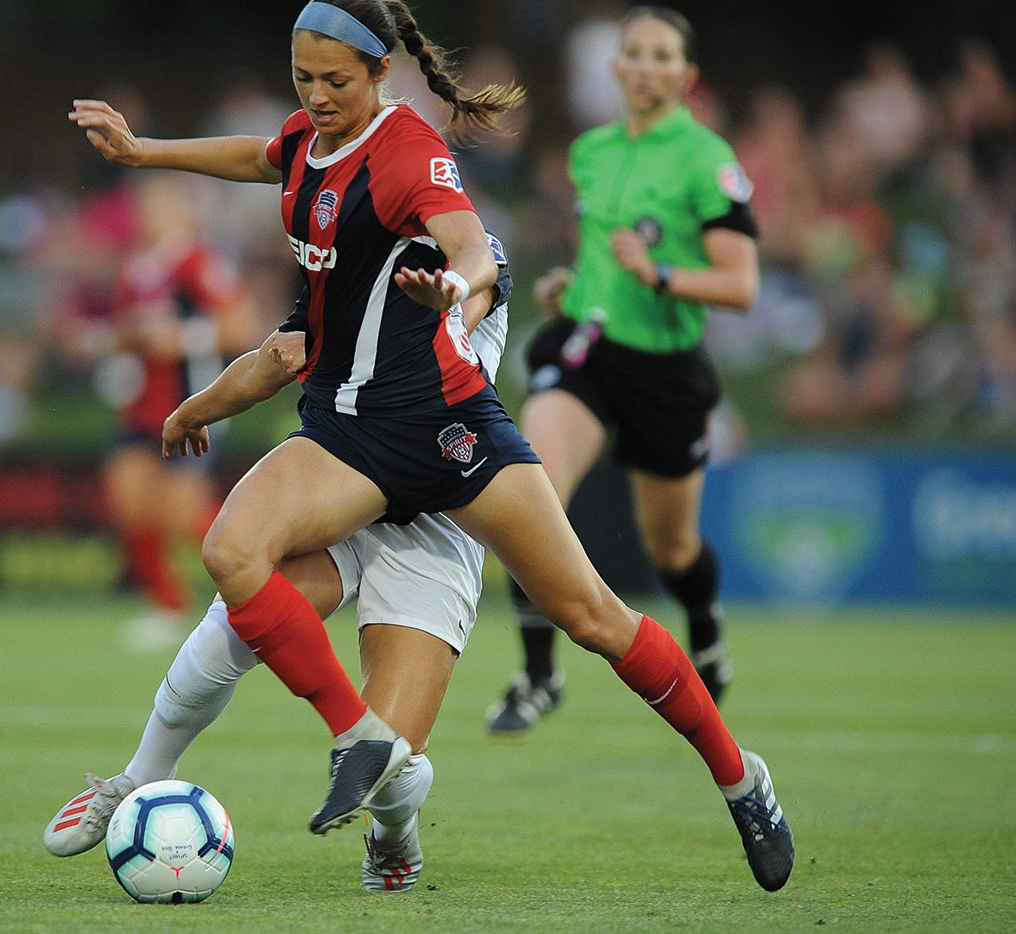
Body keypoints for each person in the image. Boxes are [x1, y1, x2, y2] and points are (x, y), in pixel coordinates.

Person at [68, 0, 792, 891]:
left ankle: (741, 777)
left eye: (338, 80)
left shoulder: (414, 158)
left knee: (593, 618)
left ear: (382, 74)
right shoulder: (309, 147)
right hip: (347, 438)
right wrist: (146, 155)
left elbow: (473, 259)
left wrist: (452, 287)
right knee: (233, 557)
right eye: (305, 78)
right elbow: (265, 167)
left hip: (448, 447)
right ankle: (289, 751)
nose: (319, 96)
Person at [45, 248, 513, 893]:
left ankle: (393, 836)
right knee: (234, 611)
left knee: (393, 765)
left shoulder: (468, 249)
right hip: (350, 475)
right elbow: (279, 351)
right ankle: (138, 777)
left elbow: (463, 306)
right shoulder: (342, 234)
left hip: (435, 507)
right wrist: (203, 402)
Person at [486, 6, 760, 738]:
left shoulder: (707, 159)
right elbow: (604, 258)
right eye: (633, 52)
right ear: (616, 68)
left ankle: (704, 625)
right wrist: (571, 288)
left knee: (672, 548)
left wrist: (662, 272)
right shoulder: (593, 151)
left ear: (685, 75)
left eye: (661, 55)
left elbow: (740, 285)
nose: (645, 65)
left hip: (666, 370)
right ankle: (539, 675)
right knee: (526, 497)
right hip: (588, 350)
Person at [99, 174, 258, 649]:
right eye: (145, 207)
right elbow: (125, 335)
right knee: (128, 503)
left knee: (180, 515)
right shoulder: (134, 270)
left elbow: (242, 327)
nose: (150, 216)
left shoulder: (198, 262)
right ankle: (167, 604)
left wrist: (182, 339)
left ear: (182, 213)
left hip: (190, 406)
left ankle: (263, 581)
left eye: (161, 206)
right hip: (139, 409)